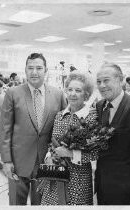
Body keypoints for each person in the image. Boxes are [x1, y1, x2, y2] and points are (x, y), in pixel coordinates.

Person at [0, 53, 67, 205]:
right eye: (30, 68)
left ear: (46, 70)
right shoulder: (13, 93)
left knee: (41, 203)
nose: (34, 72)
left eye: (38, 68)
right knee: (17, 203)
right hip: (18, 161)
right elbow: (5, 130)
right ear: (25, 70)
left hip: (46, 162)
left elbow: (63, 127)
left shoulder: (57, 94)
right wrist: (6, 160)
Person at [40, 71, 98, 205]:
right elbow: (52, 144)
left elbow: (95, 153)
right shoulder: (60, 115)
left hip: (78, 179)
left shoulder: (91, 117)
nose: (72, 93)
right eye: (70, 89)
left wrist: (71, 154)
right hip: (55, 174)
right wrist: (49, 156)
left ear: (86, 94)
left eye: (78, 90)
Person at [95, 63, 130, 205]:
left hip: (127, 189)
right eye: (99, 82)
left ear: (120, 80)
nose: (102, 85)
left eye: (106, 80)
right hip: (102, 187)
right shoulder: (100, 106)